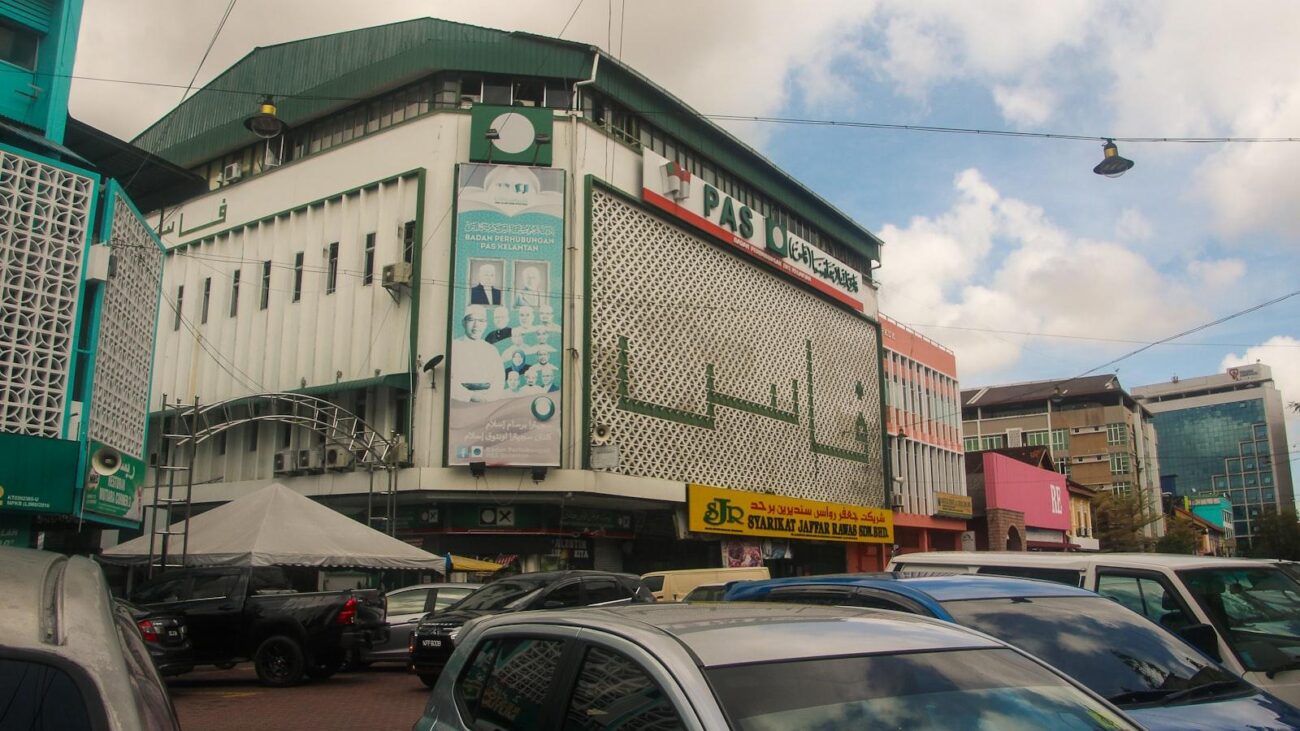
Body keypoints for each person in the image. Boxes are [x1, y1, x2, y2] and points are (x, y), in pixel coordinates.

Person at [450, 305, 503, 402]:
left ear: (486, 324)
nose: (476, 325)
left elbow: (499, 380)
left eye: (481, 321)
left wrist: (487, 397)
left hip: (486, 402)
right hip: (460, 400)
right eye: (471, 320)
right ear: (463, 322)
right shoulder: (453, 347)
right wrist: (470, 395)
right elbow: (448, 379)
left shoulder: (491, 350)